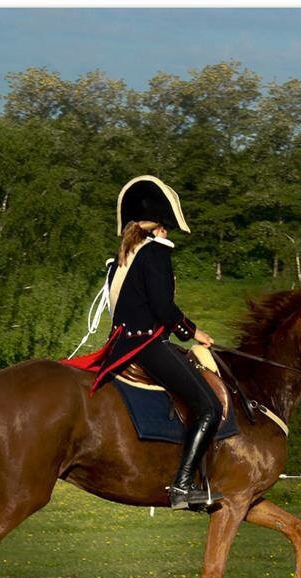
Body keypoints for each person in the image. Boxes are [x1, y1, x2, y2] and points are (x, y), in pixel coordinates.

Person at [99, 176, 221, 511]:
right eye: (166, 225)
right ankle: (182, 485)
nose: (168, 233)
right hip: (146, 346)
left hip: (117, 347)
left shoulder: (121, 259)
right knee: (210, 407)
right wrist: (194, 332)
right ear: (159, 226)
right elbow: (163, 310)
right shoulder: (154, 254)